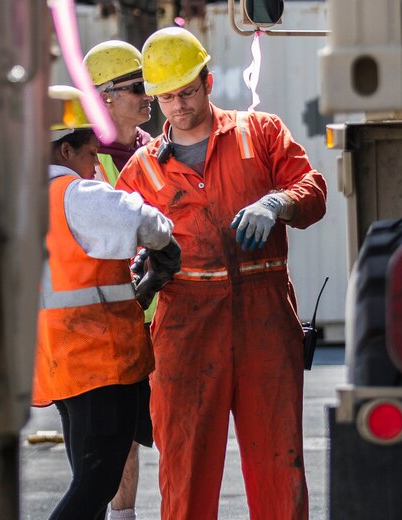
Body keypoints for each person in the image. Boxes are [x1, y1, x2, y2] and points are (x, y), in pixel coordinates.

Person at [115, 28, 328, 520]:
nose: (178, 106)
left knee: (280, 465)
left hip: (266, 319)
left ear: (208, 82)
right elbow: (118, 250)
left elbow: (311, 188)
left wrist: (278, 202)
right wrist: (137, 272)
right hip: (186, 327)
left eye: (187, 92)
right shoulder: (143, 170)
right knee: (186, 470)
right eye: (167, 97)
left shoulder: (262, 132)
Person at [32, 85, 181, 520]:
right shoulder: (76, 195)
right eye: (90, 153)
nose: (97, 164)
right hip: (100, 361)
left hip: (60, 363)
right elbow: (145, 219)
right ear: (66, 150)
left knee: (87, 479)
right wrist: (164, 246)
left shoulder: (23, 204)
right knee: (96, 483)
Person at [83, 39, 156, 520]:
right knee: (105, 442)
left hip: (153, 314)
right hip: (102, 320)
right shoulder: (87, 161)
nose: (149, 95)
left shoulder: (156, 150)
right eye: (137, 87)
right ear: (105, 97)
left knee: (140, 433)